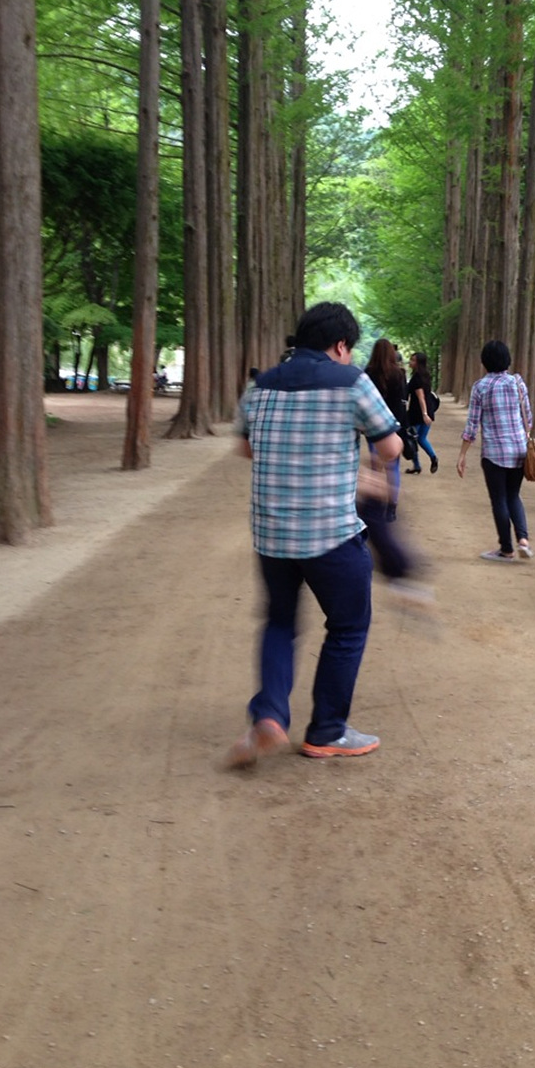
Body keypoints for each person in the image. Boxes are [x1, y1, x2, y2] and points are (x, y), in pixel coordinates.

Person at [227, 301, 402, 768]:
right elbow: (390, 446)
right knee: (347, 627)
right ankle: (326, 731)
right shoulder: (352, 382)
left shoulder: (261, 384)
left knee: (279, 623)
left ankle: (269, 715)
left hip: (272, 535)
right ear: (340, 345)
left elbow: (245, 447)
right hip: (332, 534)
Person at [456, 339, 533, 562]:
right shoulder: (518, 383)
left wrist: (462, 454)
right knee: (513, 495)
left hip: (494, 453)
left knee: (499, 499)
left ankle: (506, 549)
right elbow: (528, 418)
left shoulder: (481, 387)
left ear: (485, 362)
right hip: (519, 450)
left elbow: (472, 425)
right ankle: (523, 540)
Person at [364, 338, 407, 517]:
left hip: (373, 424)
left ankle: (375, 504)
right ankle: (391, 507)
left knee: (376, 464)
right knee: (393, 466)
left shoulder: (368, 373)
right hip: (393, 424)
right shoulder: (399, 374)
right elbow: (403, 401)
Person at [406, 351, 439, 474]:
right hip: (429, 411)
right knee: (421, 438)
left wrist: (424, 414)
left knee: (412, 439)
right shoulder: (426, 376)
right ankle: (433, 457)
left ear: (418, 363)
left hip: (418, 413)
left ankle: (417, 465)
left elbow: (421, 397)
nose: (410, 362)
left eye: (413, 360)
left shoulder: (417, 378)